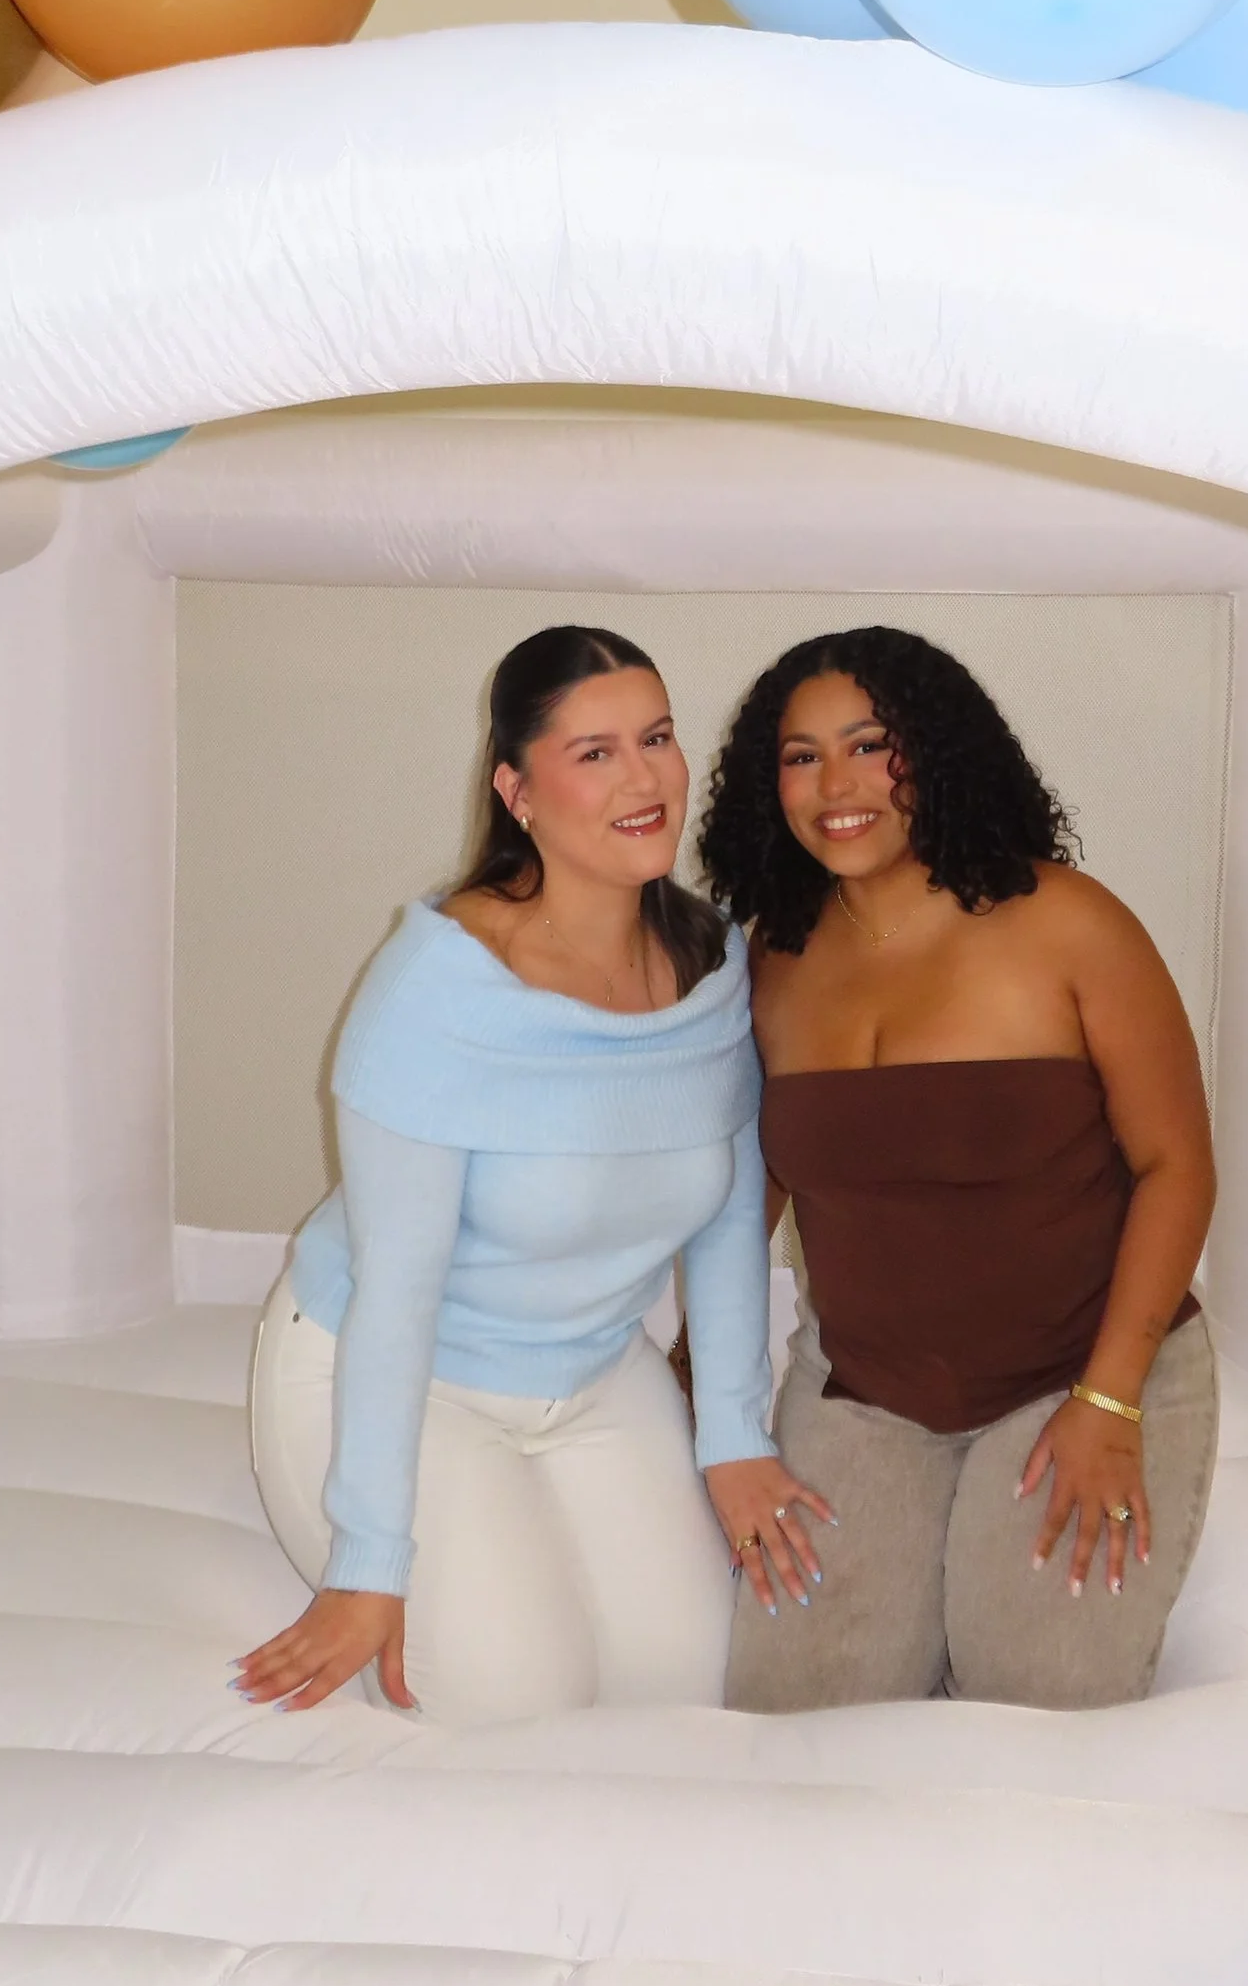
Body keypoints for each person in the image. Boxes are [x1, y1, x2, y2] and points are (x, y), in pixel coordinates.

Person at [237, 624, 826, 1728]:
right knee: (515, 1703)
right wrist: (369, 1559)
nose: (643, 777)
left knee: (696, 1686)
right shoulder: (439, 989)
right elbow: (397, 1291)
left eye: (654, 738)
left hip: (595, 1367)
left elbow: (729, 1221)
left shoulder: (709, 965)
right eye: (594, 753)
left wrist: (735, 1437)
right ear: (517, 789)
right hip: (403, 1372)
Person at [697, 626, 1217, 1711]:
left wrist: (1110, 1403)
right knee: (796, 1720)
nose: (835, 786)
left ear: (935, 754)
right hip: (863, 1395)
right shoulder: (766, 962)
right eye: (799, 756)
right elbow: (743, 1204)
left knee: (1036, 1700)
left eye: (870, 745)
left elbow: (1177, 1166)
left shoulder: (1070, 923)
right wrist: (708, 1389)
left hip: (1078, 1377)